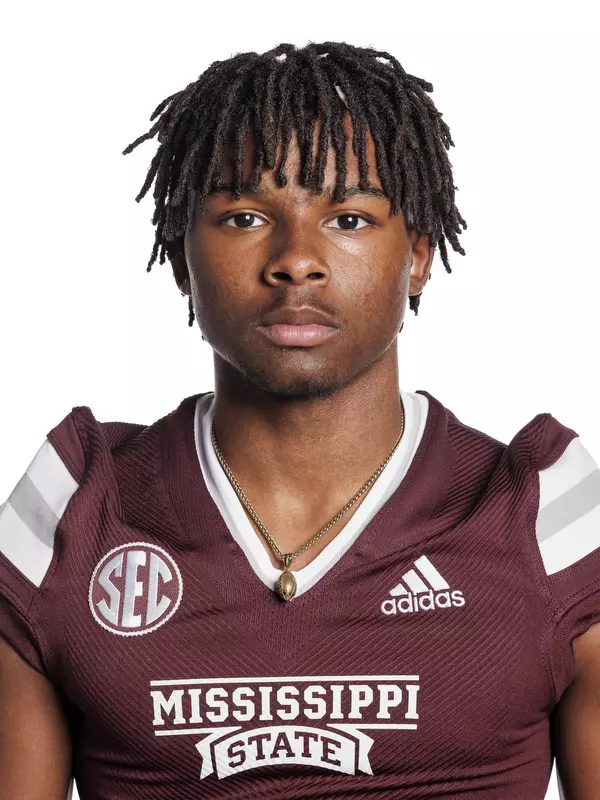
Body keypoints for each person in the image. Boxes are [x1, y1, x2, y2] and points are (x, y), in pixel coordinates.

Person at [0, 40, 598, 800]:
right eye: (245, 216)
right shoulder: (79, 507)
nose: (297, 260)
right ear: (182, 256)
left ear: (418, 256)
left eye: (348, 217)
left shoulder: (541, 511)